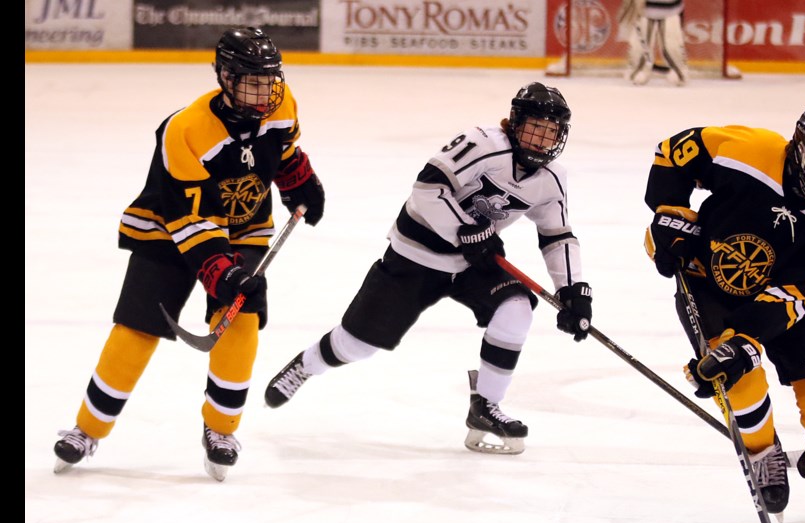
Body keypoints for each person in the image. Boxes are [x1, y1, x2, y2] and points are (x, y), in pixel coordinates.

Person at [52, 26, 326, 481]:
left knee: (240, 323)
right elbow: (190, 219)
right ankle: (87, 428)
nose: (267, 91)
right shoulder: (186, 129)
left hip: (245, 226)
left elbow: (286, 149)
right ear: (225, 76)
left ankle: (221, 430)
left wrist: (301, 182)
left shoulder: (282, 103)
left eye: (271, 79)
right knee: (137, 329)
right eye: (253, 81)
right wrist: (221, 273)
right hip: (167, 228)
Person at [263, 82, 592, 455]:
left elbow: (557, 235)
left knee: (516, 306)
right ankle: (307, 364)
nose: (542, 139)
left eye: (551, 132)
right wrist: (463, 231)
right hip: (416, 254)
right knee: (357, 345)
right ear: (516, 122)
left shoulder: (551, 179)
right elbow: (427, 188)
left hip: (473, 261)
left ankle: (485, 406)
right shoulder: (482, 144)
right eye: (536, 127)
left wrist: (573, 289)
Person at [642, 103, 805, 523]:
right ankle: (762, 451)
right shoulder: (749, 151)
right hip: (709, 282)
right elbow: (674, 153)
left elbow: (796, 298)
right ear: (802, 153)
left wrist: (746, 340)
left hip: (784, 302)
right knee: (741, 384)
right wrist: (670, 213)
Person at [619, 0, 689, 86]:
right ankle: (638, 69)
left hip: (671, 10)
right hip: (643, 10)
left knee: (672, 45)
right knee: (638, 48)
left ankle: (679, 71)